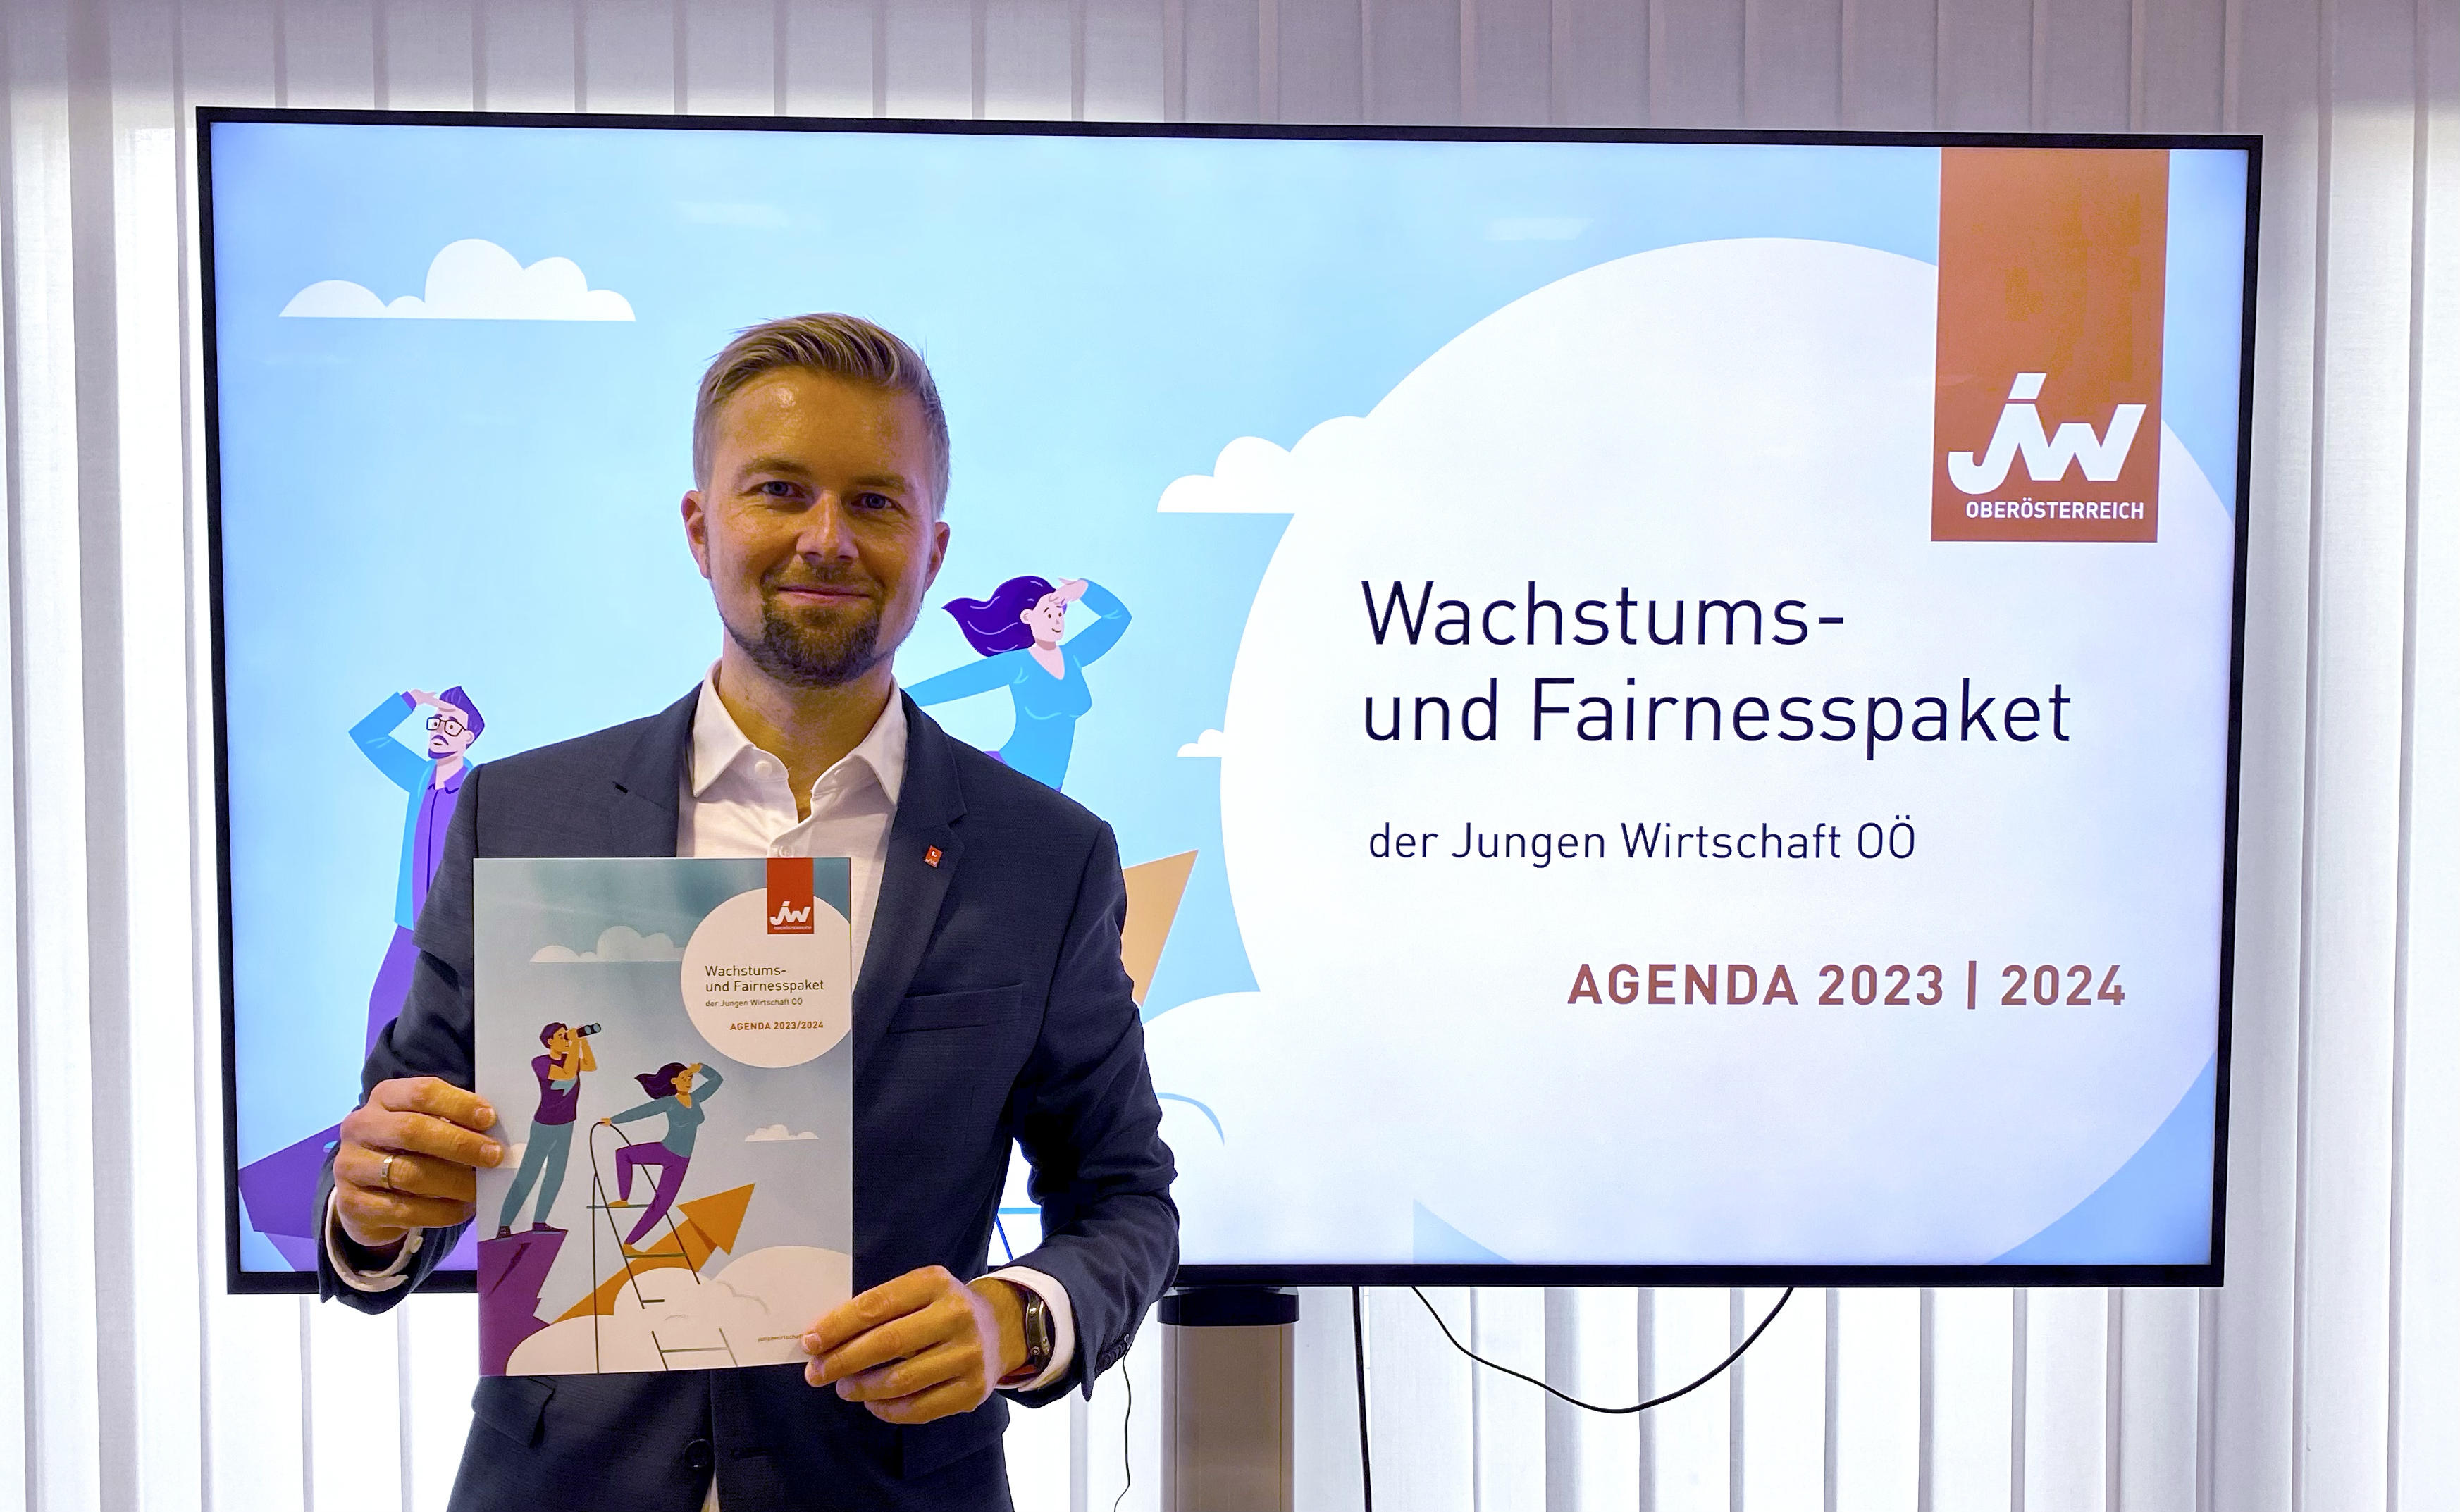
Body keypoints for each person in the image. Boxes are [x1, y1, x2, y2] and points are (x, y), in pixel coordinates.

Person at [316, 313, 1177, 1511]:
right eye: (779, 490)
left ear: (931, 548)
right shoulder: (523, 814)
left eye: (874, 502)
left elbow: (1124, 1192)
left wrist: (1014, 1319)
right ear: (699, 525)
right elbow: (395, 1164)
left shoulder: (1046, 857)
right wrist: (372, 1204)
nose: (826, 538)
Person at [350, 685, 484, 1055]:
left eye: (452, 726)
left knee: (458, 1021)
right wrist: (412, 700)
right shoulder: (420, 777)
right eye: (436, 722)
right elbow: (368, 736)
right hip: (411, 925)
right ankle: (374, 1088)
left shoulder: (475, 787)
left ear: (469, 738)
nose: (440, 731)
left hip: (455, 928)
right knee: (385, 1005)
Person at [908, 576, 1131, 790]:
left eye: (1059, 613)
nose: (1057, 621)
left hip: (1052, 789)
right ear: (1027, 617)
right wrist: (896, 696)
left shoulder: (1074, 656)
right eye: (1048, 613)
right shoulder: (1019, 664)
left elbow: (1118, 618)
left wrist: (1085, 589)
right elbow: (957, 683)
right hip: (1009, 777)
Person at [601, 1060, 724, 1246]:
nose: (688, 1082)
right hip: (665, 1150)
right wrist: (613, 1120)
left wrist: (699, 1068)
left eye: (690, 1078)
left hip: (682, 1160)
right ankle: (624, 1199)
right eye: (684, 1078)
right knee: (623, 1154)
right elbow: (642, 1112)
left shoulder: (697, 1098)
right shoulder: (670, 1102)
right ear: (674, 1081)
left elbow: (716, 1080)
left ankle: (629, 1244)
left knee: (662, 1205)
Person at [493, 1021, 595, 1238]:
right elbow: (567, 1074)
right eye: (561, 1036)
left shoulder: (571, 1058)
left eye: (566, 1035)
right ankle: (504, 1225)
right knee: (528, 1174)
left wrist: (582, 1039)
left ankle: (540, 1222)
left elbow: (590, 1065)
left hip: (566, 1125)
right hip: (545, 1126)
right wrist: (574, 1043)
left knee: (555, 1175)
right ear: (550, 1041)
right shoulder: (540, 1062)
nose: (566, 1039)